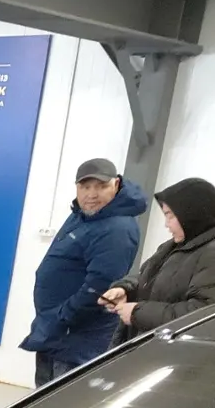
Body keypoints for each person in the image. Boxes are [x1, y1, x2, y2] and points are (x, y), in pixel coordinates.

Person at [21, 158, 148, 386]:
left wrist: (62, 317)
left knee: (61, 401)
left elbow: (99, 286)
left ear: (116, 185)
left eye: (100, 186)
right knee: (44, 401)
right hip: (57, 333)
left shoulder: (117, 229)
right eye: (85, 186)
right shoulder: (83, 215)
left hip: (77, 340)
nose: (91, 194)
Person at [102, 177, 215, 342]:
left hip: (172, 352)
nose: (166, 225)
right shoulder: (173, 246)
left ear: (191, 214)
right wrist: (126, 290)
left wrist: (138, 313)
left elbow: (202, 314)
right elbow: (149, 278)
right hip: (148, 345)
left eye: (170, 216)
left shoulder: (210, 255)